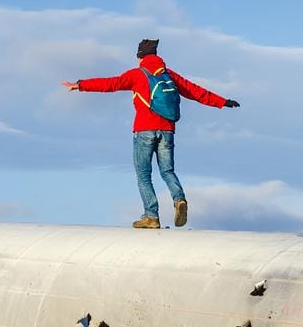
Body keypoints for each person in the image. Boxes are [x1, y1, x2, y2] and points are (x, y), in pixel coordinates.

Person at [62, 38, 239, 228]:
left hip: (144, 129)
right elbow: (195, 91)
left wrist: (81, 85)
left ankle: (151, 216)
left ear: (140, 57)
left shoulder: (137, 75)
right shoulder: (169, 75)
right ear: (156, 55)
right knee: (167, 171)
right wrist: (222, 101)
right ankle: (179, 199)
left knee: (144, 174)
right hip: (167, 130)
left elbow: (110, 84)